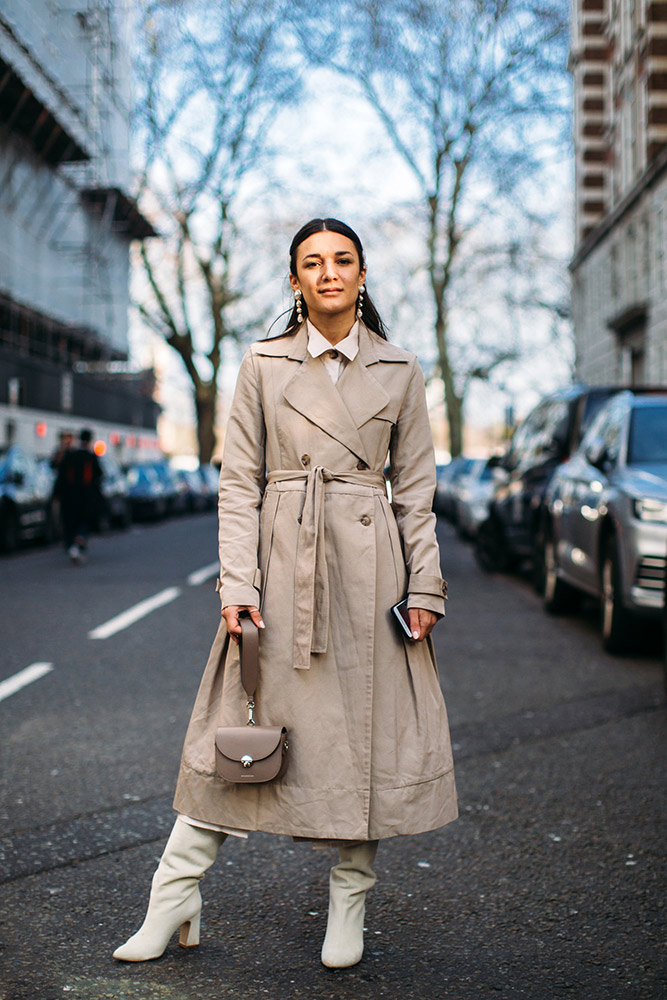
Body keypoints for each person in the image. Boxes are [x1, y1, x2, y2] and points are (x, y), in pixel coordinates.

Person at [113, 218, 458, 968]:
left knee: (360, 739)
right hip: (277, 567)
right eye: (312, 262)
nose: (328, 272)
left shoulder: (399, 368)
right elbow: (237, 483)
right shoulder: (262, 364)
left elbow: (417, 494)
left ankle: (348, 901)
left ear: (361, 275)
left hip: (371, 575)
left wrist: (424, 583)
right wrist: (237, 580)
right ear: (294, 279)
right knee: (233, 728)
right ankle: (174, 894)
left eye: (342, 260)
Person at [54, 428, 103, 563]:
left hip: (69, 498)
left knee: (71, 523)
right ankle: (79, 542)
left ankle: (73, 545)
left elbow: (61, 477)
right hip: (86, 498)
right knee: (83, 522)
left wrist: (57, 495)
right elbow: (98, 477)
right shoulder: (91, 458)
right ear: (90, 440)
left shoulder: (70, 456)